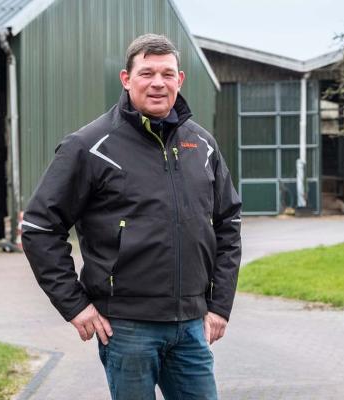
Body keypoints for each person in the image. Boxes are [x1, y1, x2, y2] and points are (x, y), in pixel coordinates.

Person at [22, 33, 242, 400]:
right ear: (126, 79)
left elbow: (229, 223)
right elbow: (39, 227)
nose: (158, 83)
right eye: (147, 73)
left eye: (167, 74)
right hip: (127, 329)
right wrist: (75, 305)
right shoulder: (89, 146)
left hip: (191, 326)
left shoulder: (201, 145)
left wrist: (219, 306)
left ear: (180, 80)